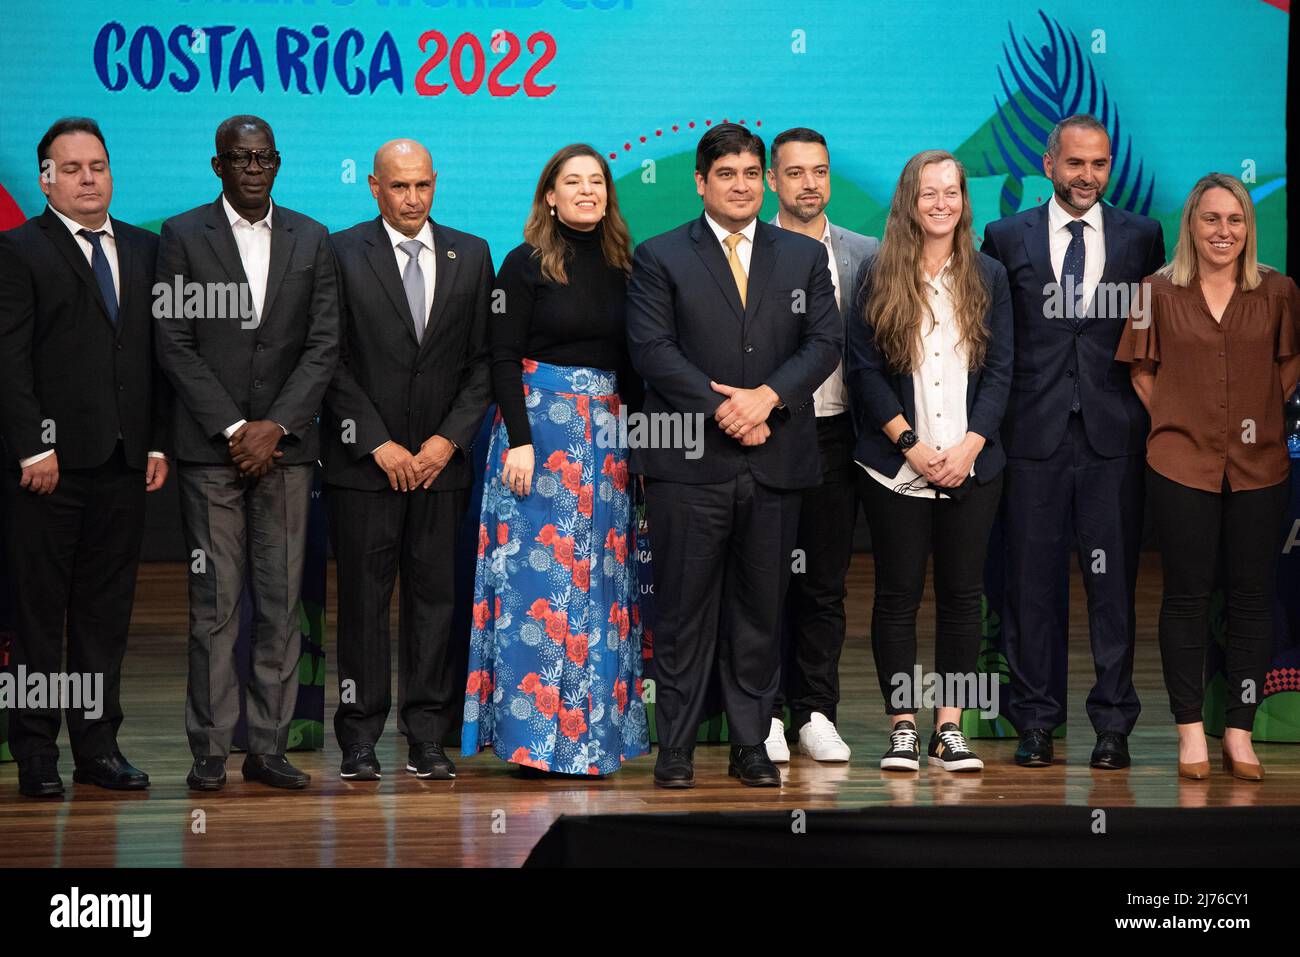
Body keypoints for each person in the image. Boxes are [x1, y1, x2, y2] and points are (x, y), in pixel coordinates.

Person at [626, 123, 842, 788]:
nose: (742, 184)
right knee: (684, 611)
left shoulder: (801, 256)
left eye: (752, 172)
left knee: (759, 610)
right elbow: (653, 350)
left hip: (776, 462)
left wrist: (768, 398)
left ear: (765, 180)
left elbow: (825, 340)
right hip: (688, 464)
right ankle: (677, 749)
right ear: (700, 182)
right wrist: (729, 408)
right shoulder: (659, 256)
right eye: (727, 174)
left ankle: (752, 742)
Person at [155, 115, 339, 791]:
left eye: (263, 157)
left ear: (278, 162)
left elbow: (324, 343)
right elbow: (172, 340)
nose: (253, 167)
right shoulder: (181, 235)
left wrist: (277, 426)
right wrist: (236, 428)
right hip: (212, 454)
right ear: (218, 166)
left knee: (281, 604)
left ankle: (267, 746)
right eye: (240, 157)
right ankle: (209, 749)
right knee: (215, 605)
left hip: (287, 453)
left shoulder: (312, 237)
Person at [981, 114, 1166, 769]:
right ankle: (1036, 722)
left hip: (1114, 440)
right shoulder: (1003, 237)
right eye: (1075, 163)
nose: (1087, 176)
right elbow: (995, 343)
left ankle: (1113, 725)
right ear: (1049, 162)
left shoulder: (1142, 237)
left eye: (1099, 164)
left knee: (1113, 587)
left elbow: (1151, 338)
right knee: (1030, 587)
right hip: (1031, 437)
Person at [462, 144, 649, 776]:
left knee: (599, 588)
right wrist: (518, 440)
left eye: (597, 181)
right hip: (536, 442)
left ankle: (595, 744)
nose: (588, 191)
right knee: (534, 589)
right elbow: (502, 357)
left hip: (608, 445)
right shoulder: (522, 265)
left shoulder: (629, 264)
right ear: (550, 194)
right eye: (574, 182)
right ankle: (532, 742)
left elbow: (636, 366)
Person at [0, 117, 170, 798]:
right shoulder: (17, 250)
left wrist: (156, 438)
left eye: (96, 165)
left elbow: (158, 357)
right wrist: (33, 445)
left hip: (125, 463)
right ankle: (37, 752)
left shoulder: (145, 248)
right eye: (70, 168)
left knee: (104, 617)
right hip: (47, 470)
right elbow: (8, 361)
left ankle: (98, 747)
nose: (87, 178)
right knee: (39, 616)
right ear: (45, 179)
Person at [1116, 173, 1300, 781]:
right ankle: (1190, 733)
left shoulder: (1278, 291)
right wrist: (1184, 417)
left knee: (1252, 601)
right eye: (1211, 219)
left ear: (1249, 228)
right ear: (1191, 225)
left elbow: (1287, 369)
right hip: (1180, 464)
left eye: (1236, 220)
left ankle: (1240, 734)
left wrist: (1250, 419)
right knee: (1186, 599)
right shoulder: (1153, 291)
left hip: (1260, 467)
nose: (1224, 231)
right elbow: (1143, 373)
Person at [322, 140, 493, 782]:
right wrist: (377, 441)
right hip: (365, 467)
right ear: (373, 187)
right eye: (399, 187)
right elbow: (326, 358)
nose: (413, 199)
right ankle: (359, 739)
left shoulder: (472, 254)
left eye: (423, 185)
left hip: (441, 466)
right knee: (365, 605)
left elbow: (482, 363)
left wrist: (446, 442)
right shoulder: (338, 252)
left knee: (435, 601)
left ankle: (427, 736)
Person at [846, 150, 1012, 772]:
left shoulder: (989, 276)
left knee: (964, 599)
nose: (941, 204)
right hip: (894, 470)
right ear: (908, 203)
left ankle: (950, 729)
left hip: (973, 468)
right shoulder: (875, 274)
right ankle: (903, 731)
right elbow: (864, 372)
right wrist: (911, 447)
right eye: (928, 193)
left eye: (952, 193)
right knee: (896, 597)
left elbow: (1001, 371)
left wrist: (969, 447)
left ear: (965, 202)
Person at [763, 127, 877, 764]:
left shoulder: (866, 254)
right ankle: (769, 713)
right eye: (796, 172)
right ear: (773, 181)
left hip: (842, 438)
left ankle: (816, 712)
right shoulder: (755, 252)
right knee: (767, 581)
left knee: (824, 585)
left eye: (820, 171)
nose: (810, 184)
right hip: (773, 435)